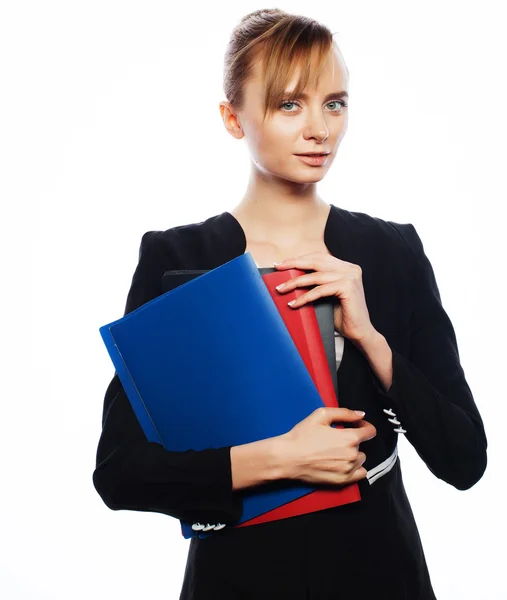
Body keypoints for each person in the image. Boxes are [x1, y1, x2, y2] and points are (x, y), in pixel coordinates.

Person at [92, 9, 488, 600]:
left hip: (379, 569)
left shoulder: (391, 251)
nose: (319, 130)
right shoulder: (176, 258)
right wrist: (280, 459)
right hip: (237, 575)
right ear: (233, 118)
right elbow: (121, 470)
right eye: (288, 105)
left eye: (334, 103)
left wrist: (373, 342)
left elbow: (465, 459)